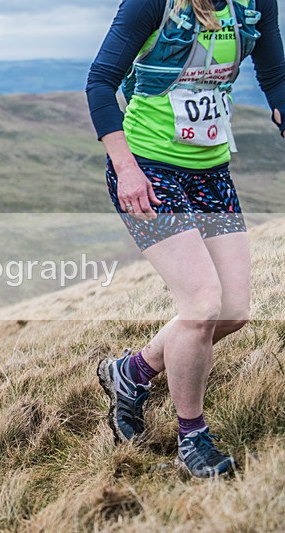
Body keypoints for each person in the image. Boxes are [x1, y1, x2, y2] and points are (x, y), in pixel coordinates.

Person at [87, 0, 285, 478]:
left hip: (211, 173)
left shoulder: (256, 3)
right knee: (200, 305)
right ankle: (192, 438)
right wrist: (126, 167)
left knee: (233, 311)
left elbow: (275, 74)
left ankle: (131, 373)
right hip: (149, 173)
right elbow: (100, 83)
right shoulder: (151, 3)